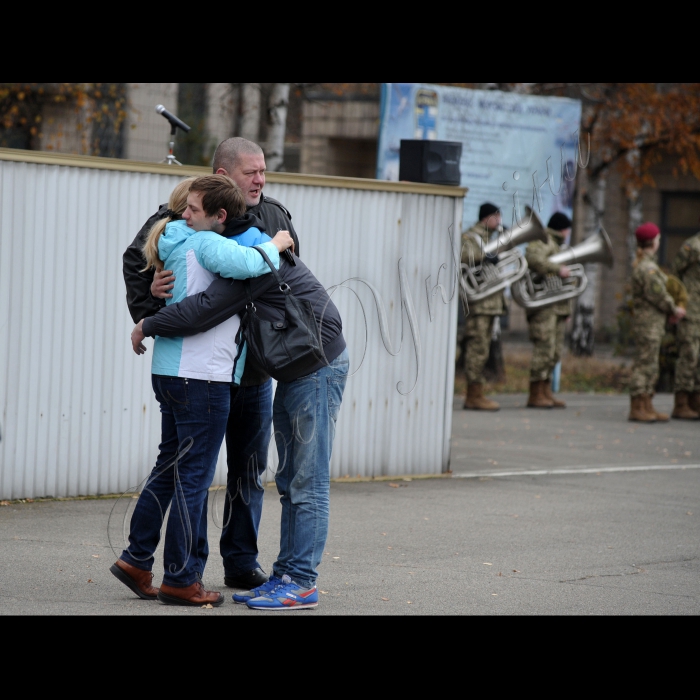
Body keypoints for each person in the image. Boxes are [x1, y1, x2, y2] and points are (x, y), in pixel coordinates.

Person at [131, 239, 348, 611]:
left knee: (306, 480)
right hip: (295, 371)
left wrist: (148, 323)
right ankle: (285, 576)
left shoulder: (251, 254)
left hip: (316, 368)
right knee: (290, 478)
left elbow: (205, 308)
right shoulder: (246, 247)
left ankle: (301, 582)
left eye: (194, 215)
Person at [122, 137, 299, 591]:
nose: (260, 180)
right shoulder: (186, 214)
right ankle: (184, 573)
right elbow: (139, 261)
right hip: (204, 369)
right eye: (250, 172)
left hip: (251, 369)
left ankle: (240, 562)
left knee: (246, 470)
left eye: (263, 170)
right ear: (223, 179)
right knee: (193, 474)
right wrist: (151, 305)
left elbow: (288, 279)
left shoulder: (276, 214)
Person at [628, 222, 686, 422]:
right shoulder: (647, 268)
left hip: (653, 322)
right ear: (652, 242)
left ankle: (646, 404)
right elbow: (658, 294)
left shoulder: (648, 266)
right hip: (648, 323)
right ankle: (637, 406)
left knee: (650, 364)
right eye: (659, 239)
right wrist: (674, 308)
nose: (659, 242)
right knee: (645, 363)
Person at [524, 212, 573, 409]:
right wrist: (557, 268)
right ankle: (535, 394)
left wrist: (566, 309)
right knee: (544, 349)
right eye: (567, 229)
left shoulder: (560, 247)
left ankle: (546, 392)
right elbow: (533, 258)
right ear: (562, 229)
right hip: (544, 307)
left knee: (554, 352)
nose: (568, 233)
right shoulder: (542, 241)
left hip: (557, 307)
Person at [460, 202, 506, 411]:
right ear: (487, 217)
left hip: (490, 302)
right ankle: (473, 395)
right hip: (479, 303)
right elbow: (464, 256)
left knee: (484, 349)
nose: (499, 221)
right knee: (477, 348)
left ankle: (477, 392)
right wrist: (484, 256)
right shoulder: (471, 237)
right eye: (497, 217)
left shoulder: (491, 239)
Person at [671, 227, 700, 419]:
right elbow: (675, 275)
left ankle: (696, 400)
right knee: (689, 354)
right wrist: (678, 303)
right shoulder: (692, 246)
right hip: (692, 310)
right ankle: (681, 402)